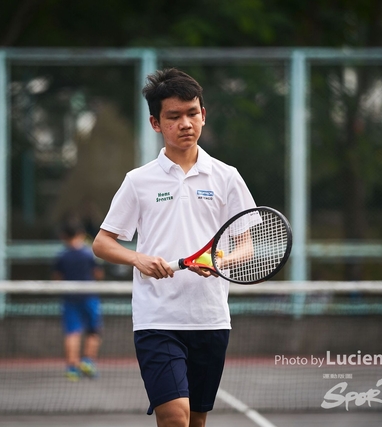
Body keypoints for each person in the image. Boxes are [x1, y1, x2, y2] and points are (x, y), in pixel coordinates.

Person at [92, 68, 257, 427]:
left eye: (192, 113)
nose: (185, 123)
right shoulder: (138, 182)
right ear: (156, 123)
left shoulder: (227, 177)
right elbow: (102, 243)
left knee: (196, 421)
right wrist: (138, 259)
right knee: (175, 418)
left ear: (203, 115)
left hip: (210, 319)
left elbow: (247, 245)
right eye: (174, 116)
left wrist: (220, 260)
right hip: (157, 320)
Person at [52, 216, 104, 381]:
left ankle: (72, 368)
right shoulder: (89, 255)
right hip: (90, 297)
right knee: (93, 331)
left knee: (72, 332)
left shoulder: (62, 256)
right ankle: (87, 361)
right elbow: (98, 274)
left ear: (63, 236)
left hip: (69, 299)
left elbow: (57, 278)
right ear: (81, 233)